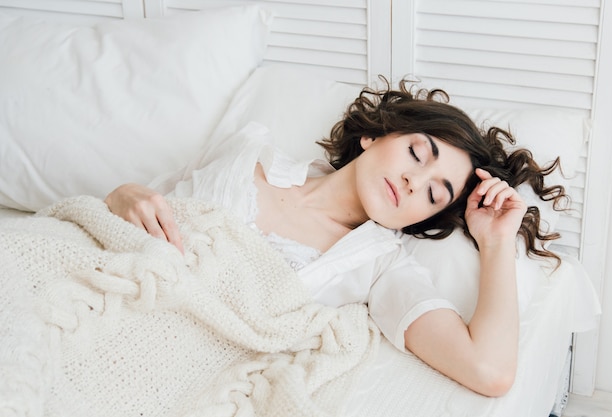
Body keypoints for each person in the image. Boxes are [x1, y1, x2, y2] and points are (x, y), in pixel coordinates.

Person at [105, 78, 567, 397]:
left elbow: (489, 371)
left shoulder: (378, 266)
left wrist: (497, 242)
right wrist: (122, 195)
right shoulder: (248, 150)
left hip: (160, 356)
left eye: (433, 193)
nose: (412, 182)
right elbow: (126, 210)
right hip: (106, 287)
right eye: (416, 154)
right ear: (375, 136)